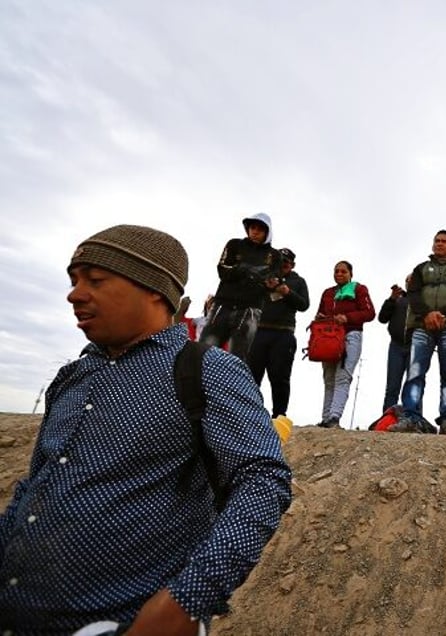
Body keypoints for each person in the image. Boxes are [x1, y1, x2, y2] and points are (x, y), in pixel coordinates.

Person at [0, 225, 292, 634]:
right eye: (73, 281)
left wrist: (186, 601)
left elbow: (264, 481)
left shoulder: (206, 370)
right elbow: (37, 486)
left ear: (155, 289)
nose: (75, 294)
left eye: (95, 280)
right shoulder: (70, 379)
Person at [395, 230, 446, 436]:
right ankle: (410, 416)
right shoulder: (420, 269)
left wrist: (443, 315)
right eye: (437, 240)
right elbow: (414, 293)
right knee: (415, 371)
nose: (439, 244)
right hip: (422, 326)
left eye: (444, 241)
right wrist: (427, 314)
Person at [200, 212, 282, 362]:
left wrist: (271, 283)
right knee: (204, 352)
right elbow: (222, 270)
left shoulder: (274, 255)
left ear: (267, 232)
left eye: (260, 229)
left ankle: (230, 385)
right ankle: (195, 384)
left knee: (237, 359)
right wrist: (244, 269)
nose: (255, 231)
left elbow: (274, 281)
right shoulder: (234, 244)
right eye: (252, 227)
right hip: (222, 306)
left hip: (250, 311)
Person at [248, 247, 310, 418]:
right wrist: (265, 287)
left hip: (283, 334)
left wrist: (287, 292)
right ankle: (250, 414)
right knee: (252, 377)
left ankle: (279, 415)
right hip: (259, 332)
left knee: (280, 378)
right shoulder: (263, 276)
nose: (284, 265)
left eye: (288, 262)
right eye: (281, 261)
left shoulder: (298, 281)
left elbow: (304, 305)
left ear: (293, 265)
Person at [314, 260, 375, 428]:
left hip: (351, 335)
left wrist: (348, 318)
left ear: (351, 274)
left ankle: (334, 417)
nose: (339, 274)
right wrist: (320, 318)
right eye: (336, 271)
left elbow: (369, 312)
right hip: (329, 338)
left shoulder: (359, 289)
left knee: (342, 376)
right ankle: (326, 418)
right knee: (328, 378)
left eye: (343, 271)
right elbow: (320, 312)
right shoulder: (327, 293)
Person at [377, 275, 413, 413]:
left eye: (413, 280)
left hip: (415, 346)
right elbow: (382, 318)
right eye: (407, 280)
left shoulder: (422, 300)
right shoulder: (397, 299)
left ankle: (412, 418)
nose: (410, 282)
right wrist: (391, 299)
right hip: (396, 346)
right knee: (392, 386)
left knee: (413, 384)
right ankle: (387, 417)